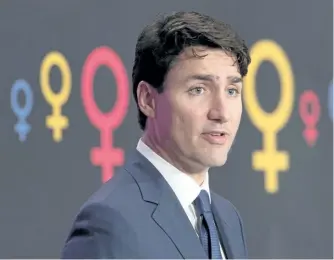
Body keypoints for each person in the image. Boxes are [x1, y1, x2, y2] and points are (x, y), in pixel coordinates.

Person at [61, 11, 251, 259]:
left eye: (232, 91)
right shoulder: (109, 222)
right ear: (148, 99)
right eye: (198, 89)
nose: (221, 113)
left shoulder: (227, 218)